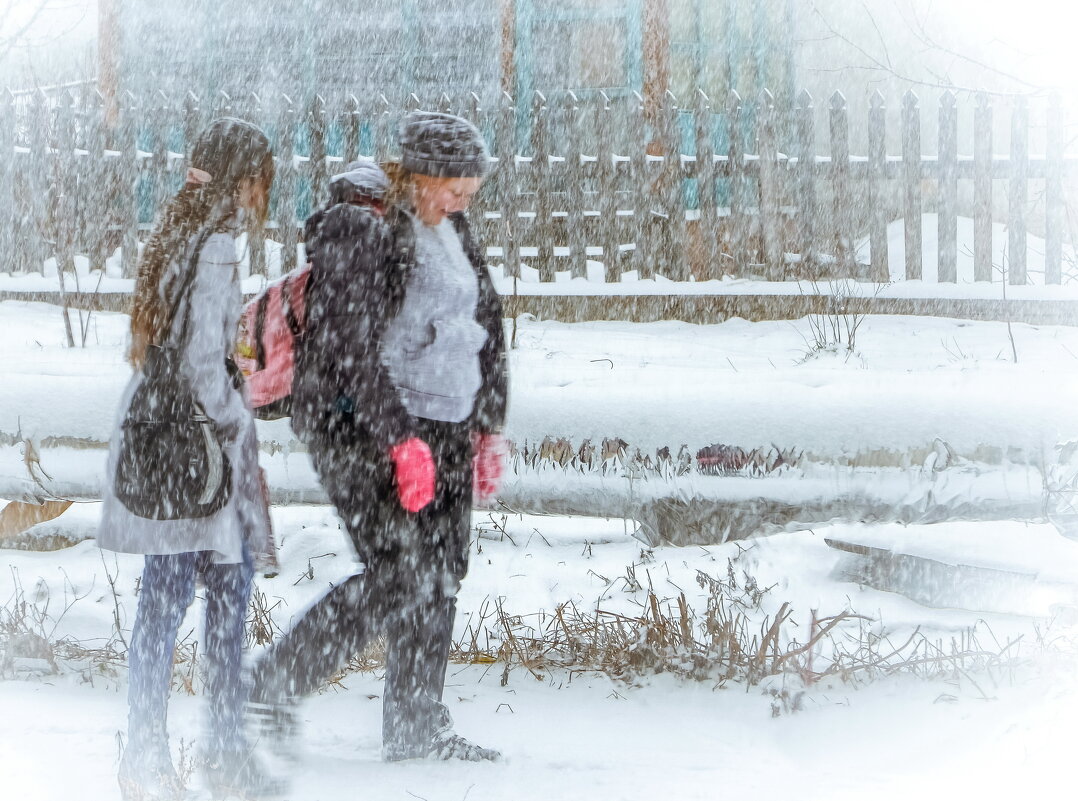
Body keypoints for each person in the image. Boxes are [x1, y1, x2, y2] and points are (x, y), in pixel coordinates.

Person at [246, 110, 509, 763]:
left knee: (442, 574)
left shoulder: (452, 227)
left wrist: (487, 426)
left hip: (446, 424)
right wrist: (398, 438)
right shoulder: (360, 226)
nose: (459, 203)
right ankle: (271, 679)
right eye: (453, 188)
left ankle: (417, 724)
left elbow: (487, 318)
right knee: (399, 574)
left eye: (469, 194)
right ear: (420, 174)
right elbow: (347, 348)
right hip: (361, 424)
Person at [97, 117, 281, 801]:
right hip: (198, 451)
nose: (264, 194)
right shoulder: (218, 248)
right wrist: (238, 419)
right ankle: (215, 754)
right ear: (240, 181)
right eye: (260, 179)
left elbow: (170, 347)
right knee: (220, 598)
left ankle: (152, 752)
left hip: (164, 436)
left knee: (165, 600)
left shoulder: (179, 230)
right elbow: (206, 367)